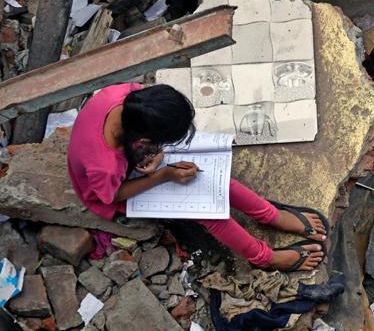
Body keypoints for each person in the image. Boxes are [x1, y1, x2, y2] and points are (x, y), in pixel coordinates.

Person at [67, 83, 327, 271]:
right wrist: (163, 175)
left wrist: (156, 155)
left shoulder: (128, 96)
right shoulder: (105, 165)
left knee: (209, 177)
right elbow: (112, 195)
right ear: (145, 140)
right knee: (208, 210)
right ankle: (264, 258)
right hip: (113, 190)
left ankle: (270, 215)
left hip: (136, 157)